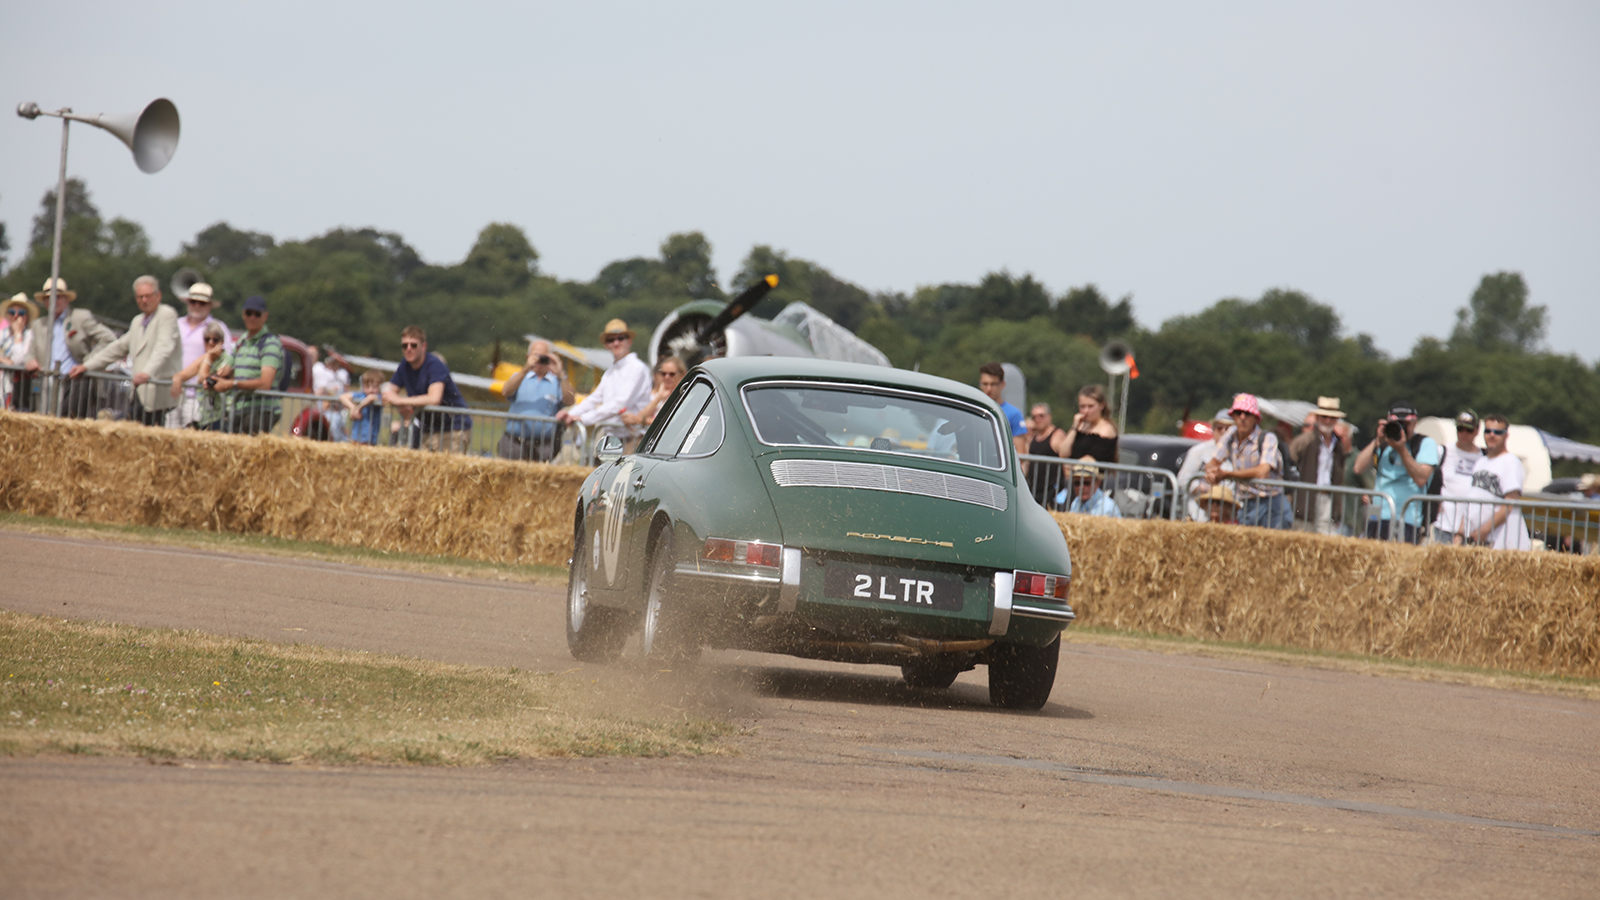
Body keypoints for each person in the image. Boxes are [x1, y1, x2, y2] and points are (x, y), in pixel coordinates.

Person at [72, 275, 181, 426]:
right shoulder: (137, 321)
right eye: (140, 297)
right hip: (141, 392)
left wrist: (146, 373)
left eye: (148, 296)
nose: (144, 300)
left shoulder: (166, 315)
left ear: (158, 295)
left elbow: (164, 346)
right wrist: (87, 366)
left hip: (161, 396)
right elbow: (118, 348)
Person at [24, 277, 116, 417]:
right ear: (44, 302)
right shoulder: (39, 325)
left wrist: (87, 363)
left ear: (67, 299)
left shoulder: (80, 317)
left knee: (69, 425)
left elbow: (109, 338)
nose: (54, 301)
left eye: (59, 297)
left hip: (74, 383)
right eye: (49, 298)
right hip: (46, 384)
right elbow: (30, 353)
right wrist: (30, 362)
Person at [1353, 400, 1439, 543]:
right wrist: (1377, 440)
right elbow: (1358, 468)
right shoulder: (1384, 442)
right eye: (1398, 424)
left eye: (1406, 424)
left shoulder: (1424, 443)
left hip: (1408, 519)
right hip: (1378, 515)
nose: (1402, 428)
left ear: (1415, 423)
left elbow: (1421, 478)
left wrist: (1402, 449)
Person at [557, 319, 651, 448]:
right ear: (606, 345)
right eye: (610, 340)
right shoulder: (610, 372)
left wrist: (584, 419)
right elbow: (594, 398)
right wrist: (572, 413)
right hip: (612, 439)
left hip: (632, 439)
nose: (616, 343)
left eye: (620, 338)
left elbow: (620, 404)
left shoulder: (637, 368)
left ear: (629, 341)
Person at [1204, 392, 1291, 530]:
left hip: (1272, 504)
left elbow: (1262, 472)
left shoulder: (1267, 438)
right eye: (1238, 413)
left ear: (1256, 418)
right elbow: (1213, 462)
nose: (1242, 417)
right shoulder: (1231, 435)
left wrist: (1226, 475)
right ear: (1233, 416)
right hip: (1246, 503)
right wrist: (1211, 472)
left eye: (1247, 413)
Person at [381, 325, 473, 453]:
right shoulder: (404, 365)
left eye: (413, 345)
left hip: (453, 428)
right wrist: (395, 400)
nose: (408, 349)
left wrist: (401, 401)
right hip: (428, 429)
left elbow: (434, 398)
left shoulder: (435, 365)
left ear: (424, 346)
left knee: (447, 472)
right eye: (404, 345)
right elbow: (388, 388)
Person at [1452, 414, 1531, 551]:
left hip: (1500, 541)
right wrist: (1460, 533)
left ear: (1506, 435)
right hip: (1477, 539)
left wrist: (1484, 530)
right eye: (1488, 431)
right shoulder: (1481, 462)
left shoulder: (1511, 462)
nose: (1492, 435)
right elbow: (1472, 499)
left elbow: (1510, 504)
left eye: (1497, 432)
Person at [209, 295, 285, 435]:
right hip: (240, 408)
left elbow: (265, 383)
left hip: (261, 410)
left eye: (257, 314)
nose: (252, 317)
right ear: (243, 314)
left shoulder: (270, 343)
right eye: (249, 313)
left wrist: (232, 384)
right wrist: (213, 375)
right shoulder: (241, 341)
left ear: (265, 316)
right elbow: (225, 370)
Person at [499, 339, 574, 462]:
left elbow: (570, 400)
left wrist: (561, 374)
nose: (539, 360)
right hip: (514, 442)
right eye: (536, 356)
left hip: (544, 445)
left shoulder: (557, 381)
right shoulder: (519, 377)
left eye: (543, 357)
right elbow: (506, 391)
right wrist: (525, 369)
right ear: (528, 357)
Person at [170, 282, 232, 427]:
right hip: (173, 393)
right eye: (193, 302)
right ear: (187, 303)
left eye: (202, 303)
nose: (197, 306)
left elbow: (226, 359)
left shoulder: (218, 328)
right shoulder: (176, 324)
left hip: (199, 396)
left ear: (209, 305)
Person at [1287, 396, 1352, 535]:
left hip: (1328, 497)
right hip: (1306, 496)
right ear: (1317, 418)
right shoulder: (1304, 441)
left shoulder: (1339, 445)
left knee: (1329, 538)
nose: (1327, 421)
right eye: (1324, 417)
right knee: (1304, 536)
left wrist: (1338, 508)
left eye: (1331, 417)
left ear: (1336, 420)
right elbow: (1289, 463)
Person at [1431, 410, 1485, 544]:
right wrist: (1433, 499)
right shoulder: (1443, 451)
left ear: (1477, 430)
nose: (1464, 433)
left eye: (1469, 429)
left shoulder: (1484, 457)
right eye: (1460, 429)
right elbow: (1427, 476)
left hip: (1472, 527)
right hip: (1444, 523)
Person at [168, 322, 230, 430]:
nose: (211, 342)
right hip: (204, 415)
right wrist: (177, 379)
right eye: (207, 339)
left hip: (220, 416)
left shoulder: (227, 360)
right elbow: (183, 374)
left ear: (222, 342)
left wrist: (209, 359)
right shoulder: (205, 358)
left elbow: (203, 378)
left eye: (215, 340)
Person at [1177, 409, 1234, 521]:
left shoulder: (1238, 454)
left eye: (1228, 429)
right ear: (1213, 429)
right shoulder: (1198, 451)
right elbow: (1182, 480)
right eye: (1219, 428)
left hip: (1228, 517)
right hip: (1198, 514)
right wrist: (1206, 490)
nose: (1223, 432)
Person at [1054, 384, 1120, 466]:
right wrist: (1074, 428)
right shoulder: (1081, 427)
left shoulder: (1106, 429)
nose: (1086, 411)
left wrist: (1072, 466)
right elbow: (1063, 454)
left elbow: (1094, 459)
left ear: (1101, 405)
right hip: (1076, 477)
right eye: (1082, 406)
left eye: (1090, 406)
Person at [622, 355, 685, 430]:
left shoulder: (683, 396)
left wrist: (640, 421)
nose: (666, 377)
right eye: (663, 374)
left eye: (671, 374)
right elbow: (640, 416)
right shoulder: (662, 395)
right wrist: (658, 398)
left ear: (682, 375)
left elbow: (670, 423)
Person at [977, 362, 1028, 456]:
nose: (988, 388)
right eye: (985, 384)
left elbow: (1020, 453)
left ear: (1002, 384)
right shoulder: (975, 409)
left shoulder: (1014, 414)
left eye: (993, 384)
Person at [1024, 403, 1067, 508]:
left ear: (1049, 417)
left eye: (1041, 416)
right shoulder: (1033, 438)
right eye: (1034, 417)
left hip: (1052, 491)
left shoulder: (1057, 435)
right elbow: (1027, 463)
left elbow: (1066, 462)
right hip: (1034, 490)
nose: (1038, 419)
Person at [0, 294, 39, 409]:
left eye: (21, 313)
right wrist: (3, 360)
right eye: (12, 312)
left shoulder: (29, 336)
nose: (16, 316)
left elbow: (19, 360)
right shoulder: (2, 333)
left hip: (17, 389)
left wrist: (18, 334)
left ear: (27, 317)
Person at [340, 369, 387, 446]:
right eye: (367, 386)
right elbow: (343, 397)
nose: (370, 390)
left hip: (370, 437)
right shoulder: (361, 395)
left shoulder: (379, 397)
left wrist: (358, 409)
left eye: (374, 387)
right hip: (356, 435)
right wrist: (352, 407)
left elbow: (370, 398)